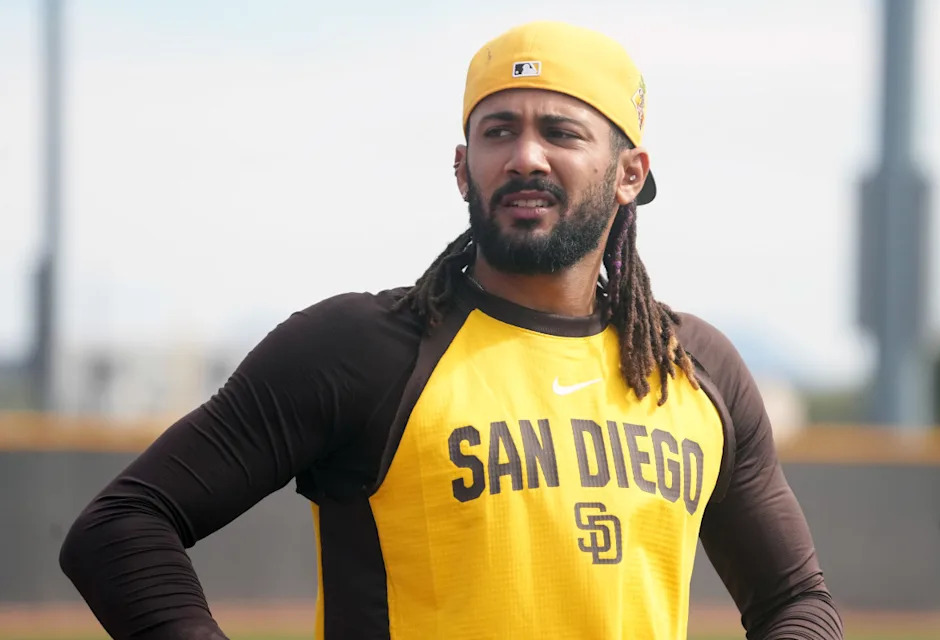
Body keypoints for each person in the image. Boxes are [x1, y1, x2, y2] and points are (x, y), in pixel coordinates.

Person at [60, 20, 843, 640]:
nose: (524, 156)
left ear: (629, 174)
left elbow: (797, 602)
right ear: (464, 167)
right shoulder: (364, 348)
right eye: (498, 131)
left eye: (562, 133)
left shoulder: (694, 368)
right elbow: (120, 528)